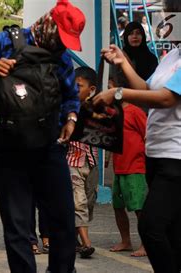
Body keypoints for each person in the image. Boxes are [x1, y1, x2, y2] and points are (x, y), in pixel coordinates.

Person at [0, 0, 85, 272]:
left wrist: (71, 118)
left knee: (63, 223)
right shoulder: (5, 41)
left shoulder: (61, 56)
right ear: (49, 24)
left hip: (50, 148)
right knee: (17, 227)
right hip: (9, 149)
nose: (61, 44)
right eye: (61, 37)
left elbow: (71, 96)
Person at [93, 1, 181, 271]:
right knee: (172, 231)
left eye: (170, 14)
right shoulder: (172, 56)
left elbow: (166, 99)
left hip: (175, 158)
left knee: (151, 226)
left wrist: (118, 93)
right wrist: (123, 62)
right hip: (155, 155)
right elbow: (146, 87)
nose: (166, 20)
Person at [106, 79, 148, 258]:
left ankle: (146, 244)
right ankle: (126, 240)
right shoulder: (113, 113)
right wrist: (108, 158)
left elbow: (148, 135)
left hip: (136, 167)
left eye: (110, 89)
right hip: (119, 168)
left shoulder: (136, 112)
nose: (107, 92)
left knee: (139, 209)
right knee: (118, 207)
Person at [67, 66, 100, 259]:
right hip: (72, 160)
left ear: (92, 89)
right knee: (78, 201)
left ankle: (76, 236)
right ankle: (87, 243)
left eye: (79, 86)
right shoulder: (68, 108)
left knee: (89, 201)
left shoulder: (97, 107)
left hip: (91, 160)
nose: (75, 89)